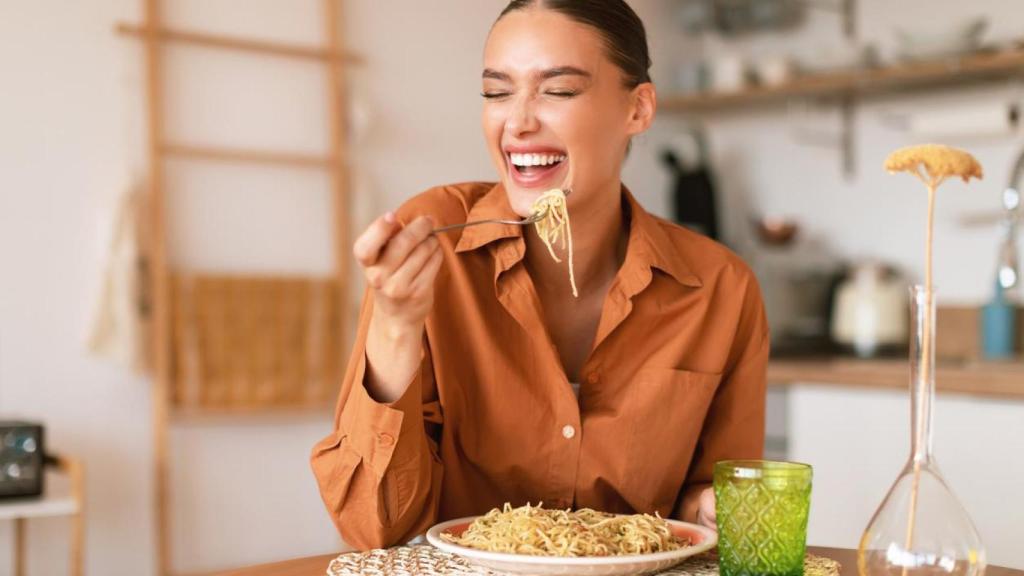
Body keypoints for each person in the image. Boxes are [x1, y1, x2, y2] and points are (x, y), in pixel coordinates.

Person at [311, 0, 768, 551]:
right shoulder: (434, 246)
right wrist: (394, 326)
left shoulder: (720, 288)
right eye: (497, 92)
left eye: (559, 91)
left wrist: (712, 507)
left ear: (638, 109)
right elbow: (373, 528)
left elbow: (711, 498)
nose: (519, 121)